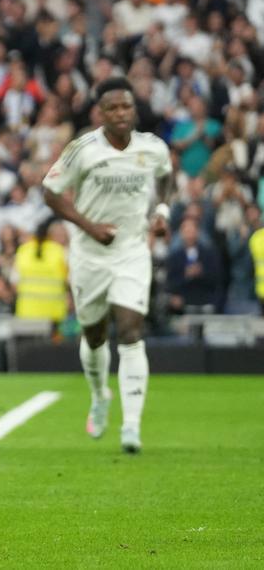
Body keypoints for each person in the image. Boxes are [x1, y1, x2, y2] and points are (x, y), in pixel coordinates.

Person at [43, 77, 172, 454]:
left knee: (131, 331)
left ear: (134, 109)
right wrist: (89, 226)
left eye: (126, 107)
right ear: (100, 113)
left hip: (132, 251)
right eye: (112, 108)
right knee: (95, 335)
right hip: (89, 254)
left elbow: (166, 178)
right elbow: (49, 192)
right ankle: (100, 395)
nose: (120, 113)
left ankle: (131, 426)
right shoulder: (82, 149)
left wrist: (161, 212)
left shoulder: (153, 148)